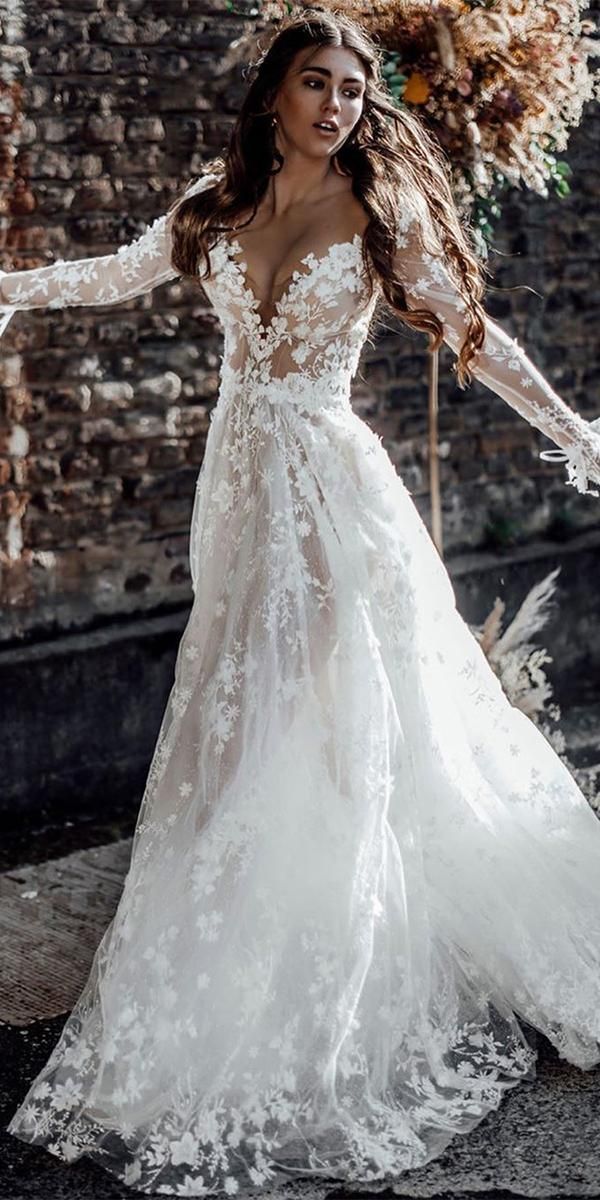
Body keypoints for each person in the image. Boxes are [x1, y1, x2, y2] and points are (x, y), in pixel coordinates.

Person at [3, 8, 600, 1198]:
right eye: (315, 81)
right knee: (241, 703)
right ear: (274, 91)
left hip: (331, 493)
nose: (337, 104)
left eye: (353, 88)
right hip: (237, 491)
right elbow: (114, 275)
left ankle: (330, 969)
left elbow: (473, 342)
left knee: (316, 717)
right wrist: (8, 284)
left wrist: (580, 433)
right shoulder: (211, 206)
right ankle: (262, 940)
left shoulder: (379, 212)